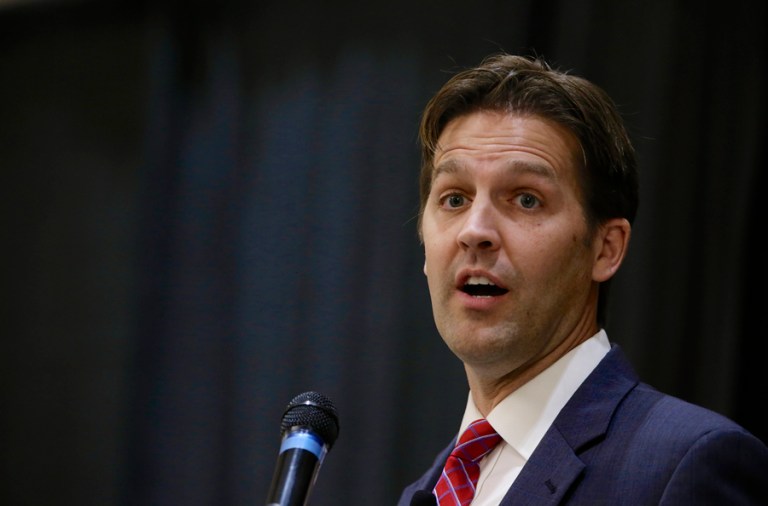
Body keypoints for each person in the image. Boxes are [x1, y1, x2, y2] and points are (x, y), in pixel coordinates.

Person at [397, 53, 768, 506]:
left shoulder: (687, 464)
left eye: (526, 199)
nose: (475, 231)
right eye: (454, 199)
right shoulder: (425, 493)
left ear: (606, 248)